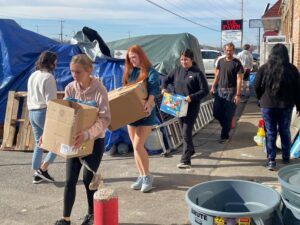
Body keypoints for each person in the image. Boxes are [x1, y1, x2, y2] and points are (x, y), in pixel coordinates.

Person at [55, 54, 111, 225]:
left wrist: (87, 134)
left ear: (89, 71)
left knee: (88, 180)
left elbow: (105, 118)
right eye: (72, 71)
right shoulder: (70, 88)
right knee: (70, 179)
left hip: (94, 140)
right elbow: (64, 114)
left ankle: (91, 215)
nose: (74, 75)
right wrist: (52, 133)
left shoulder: (99, 89)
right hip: (74, 141)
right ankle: (66, 219)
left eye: (78, 72)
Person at [254, 43, 300, 171]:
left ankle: (271, 160)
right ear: (286, 55)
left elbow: (256, 85)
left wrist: (260, 98)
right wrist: (298, 105)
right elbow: (297, 90)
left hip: (267, 105)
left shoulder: (264, 68)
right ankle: (286, 157)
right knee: (285, 131)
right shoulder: (292, 69)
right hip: (286, 106)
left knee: (270, 132)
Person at [161, 49, 209, 169]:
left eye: (186, 59)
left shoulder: (198, 73)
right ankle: (191, 149)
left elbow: (205, 91)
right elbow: (165, 80)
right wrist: (163, 88)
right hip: (178, 106)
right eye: (182, 59)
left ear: (191, 60)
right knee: (184, 131)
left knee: (186, 132)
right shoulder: (177, 70)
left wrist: (191, 97)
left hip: (192, 107)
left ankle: (185, 160)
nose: (184, 62)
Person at [123, 45, 160, 193]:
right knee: (135, 147)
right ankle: (141, 174)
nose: (132, 60)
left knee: (139, 146)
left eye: (134, 57)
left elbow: (154, 90)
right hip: (132, 114)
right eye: (130, 58)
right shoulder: (130, 72)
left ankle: (147, 177)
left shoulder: (151, 72)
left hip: (146, 114)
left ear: (141, 56)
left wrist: (148, 102)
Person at [27, 51, 58, 184]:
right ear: (51, 62)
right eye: (55, 61)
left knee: (38, 143)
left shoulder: (33, 75)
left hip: (32, 112)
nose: (56, 64)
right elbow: (51, 101)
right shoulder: (48, 77)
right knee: (57, 143)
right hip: (44, 112)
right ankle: (42, 169)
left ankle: (37, 173)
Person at [210, 42, 244, 144]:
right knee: (216, 113)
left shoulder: (237, 63)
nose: (228, 52)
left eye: (230, 50)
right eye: (227, 50)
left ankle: (224, 135)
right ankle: (226, 125)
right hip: (220, 91)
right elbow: (217, 75)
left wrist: (238, 95)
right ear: (224, 50)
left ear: (233, 51)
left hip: (231, 92)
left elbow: (239, 79)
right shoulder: (220, 61)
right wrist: (213, 86)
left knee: (228, 115)